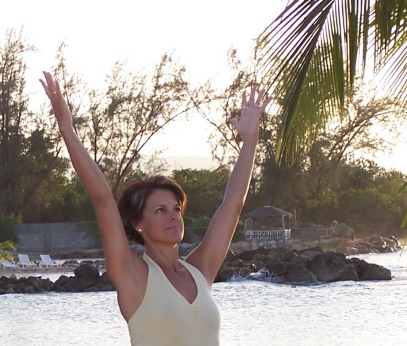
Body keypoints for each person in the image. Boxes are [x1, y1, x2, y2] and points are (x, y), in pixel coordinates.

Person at [40, 71, 272, 345]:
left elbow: (233, 204)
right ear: (139, 224)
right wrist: (67, 128)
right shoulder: (133, 276)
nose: (173, 215)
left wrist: (250, 140)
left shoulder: (201, 269)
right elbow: (102, 198)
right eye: (160, 210)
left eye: (175, 209)